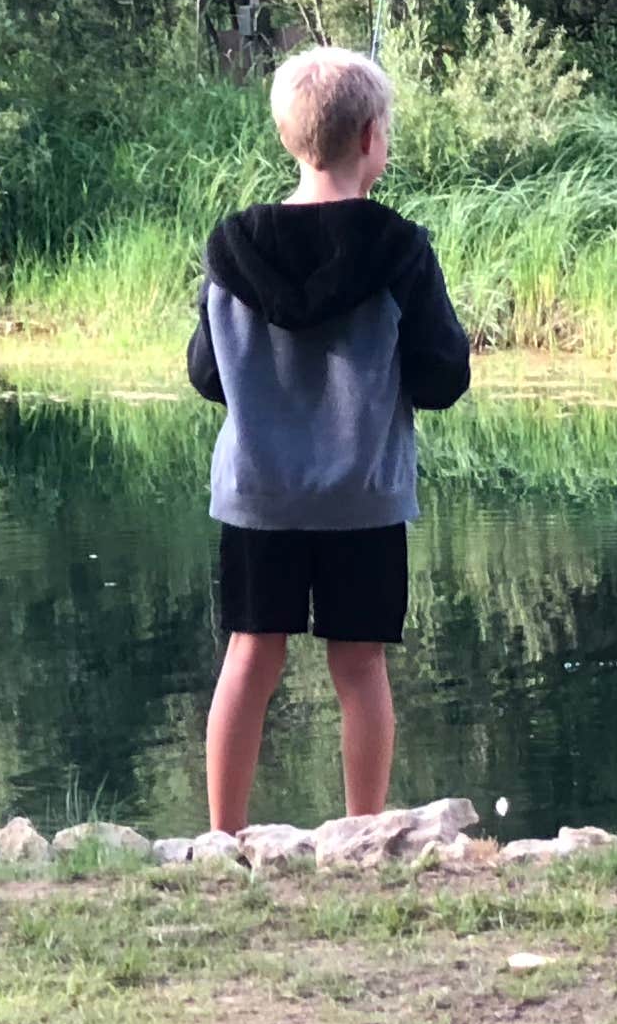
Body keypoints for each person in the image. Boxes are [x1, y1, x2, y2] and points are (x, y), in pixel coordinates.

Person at [186, 45, 472, 831]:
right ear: (373, 138)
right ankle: (361, 834)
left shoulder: (232, 246)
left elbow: (207, 376)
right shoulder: (401, 249)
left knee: (251, 653)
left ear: (289, 137)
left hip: (258, 495)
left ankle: (223, 837)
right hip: (363, 497)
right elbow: (443, 377)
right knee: (359, 664)